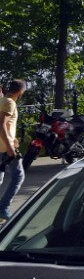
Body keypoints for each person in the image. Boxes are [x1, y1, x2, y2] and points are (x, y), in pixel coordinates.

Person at [0, 80, 27, 222]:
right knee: (18, 176)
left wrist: (13, 138)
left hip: (3, 146)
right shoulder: (10, 102)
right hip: (5, 148)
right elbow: (2, 125)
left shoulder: (2, 100)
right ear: (20, 92)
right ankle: (3, 208)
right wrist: (10, 148)